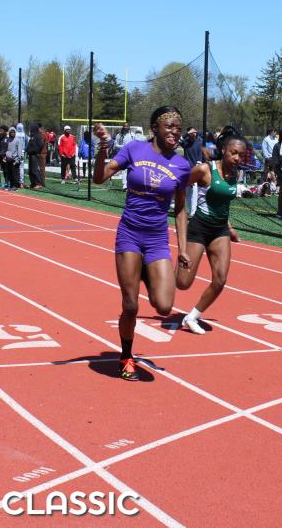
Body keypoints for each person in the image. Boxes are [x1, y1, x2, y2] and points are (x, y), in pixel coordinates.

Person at [93, 107, 191, 381]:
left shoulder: (182, 165)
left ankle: (147, 272)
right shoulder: (134, 149)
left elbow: (180, 209)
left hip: (157, 239)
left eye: (178, 128)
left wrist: (183, 248)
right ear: (155, 128)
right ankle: (126, 356)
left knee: (164, 306)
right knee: (131, 306)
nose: (174, 132)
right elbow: (99, 178)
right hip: (130, 234)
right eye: (169, 126)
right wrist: (103, 148)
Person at [176, 133, 246, 335]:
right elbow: (180, 184)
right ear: (224, 150)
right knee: (183, 283)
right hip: (199, 228)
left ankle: (192, 316)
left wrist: (229, 228)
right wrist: (181, 210)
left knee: (220, 279)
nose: (237, 158)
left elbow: (222, 204)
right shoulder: (205, 170)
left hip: (220, 231)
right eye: (233, 153)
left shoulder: (236, 174)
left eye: (241, 155)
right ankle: (161, 270)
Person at [26, 123, 45, 189]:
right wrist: (27, 150)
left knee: (35, 170)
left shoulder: (38, 136)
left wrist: (34, 150)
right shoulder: (32, 136)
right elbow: (29, 145)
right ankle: (33, 183)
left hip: (35, 155)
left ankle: (38, 184)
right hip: (31, 155)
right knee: (30, 170)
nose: (30, 130)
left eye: (31, 129)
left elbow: (40, 146)